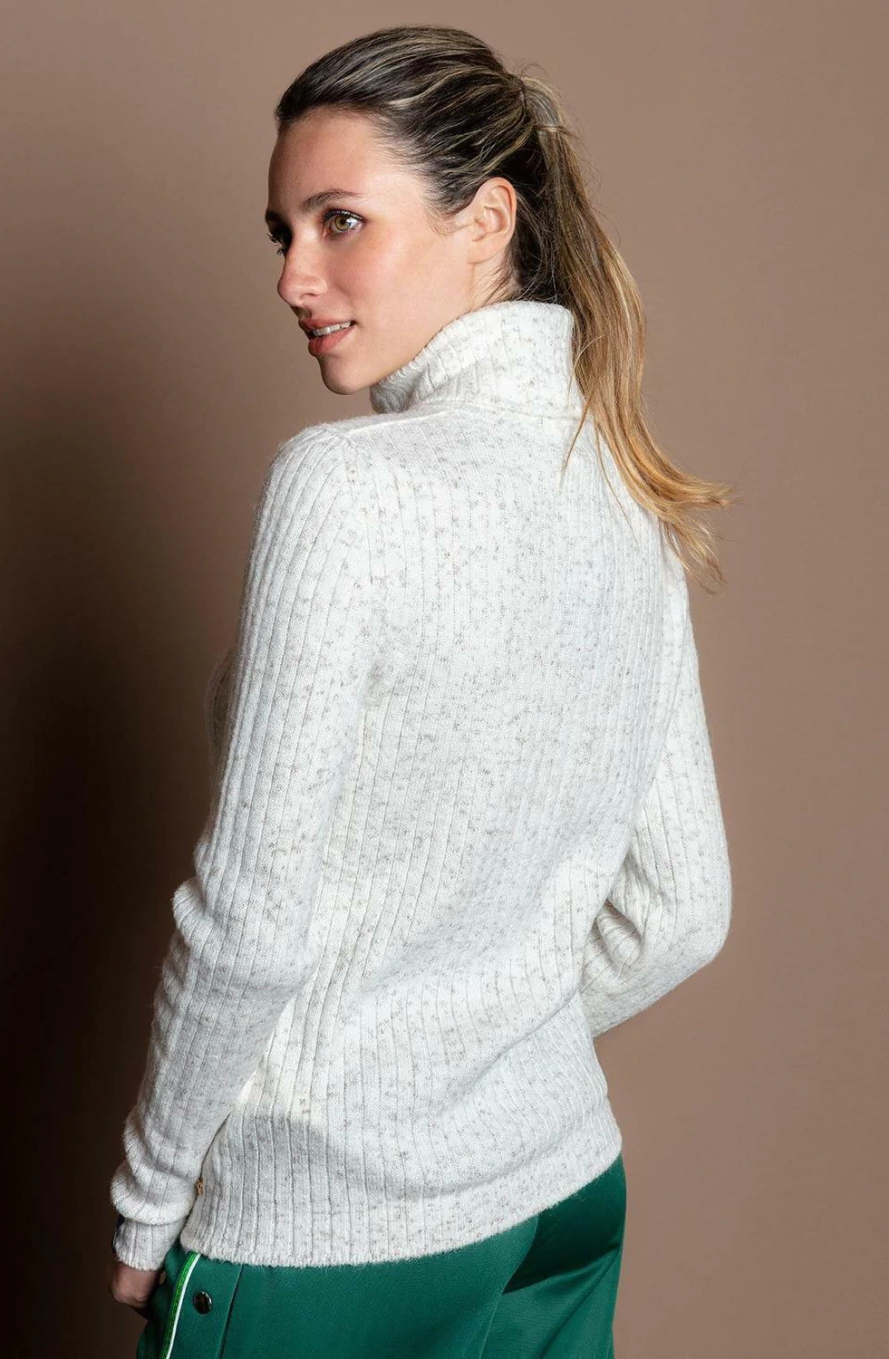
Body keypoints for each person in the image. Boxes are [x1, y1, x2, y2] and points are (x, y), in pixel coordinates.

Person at [107, 23, 736, 1358]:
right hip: (562, 1193)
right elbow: (684, 909)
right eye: (282, 233)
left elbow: (251, 920)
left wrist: (151, 1199)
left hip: (333, 1241)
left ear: (488, 222)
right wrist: (482, 1057)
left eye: (341, 221)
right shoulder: (622, 483)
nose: (295, 276)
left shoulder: (343, 490)